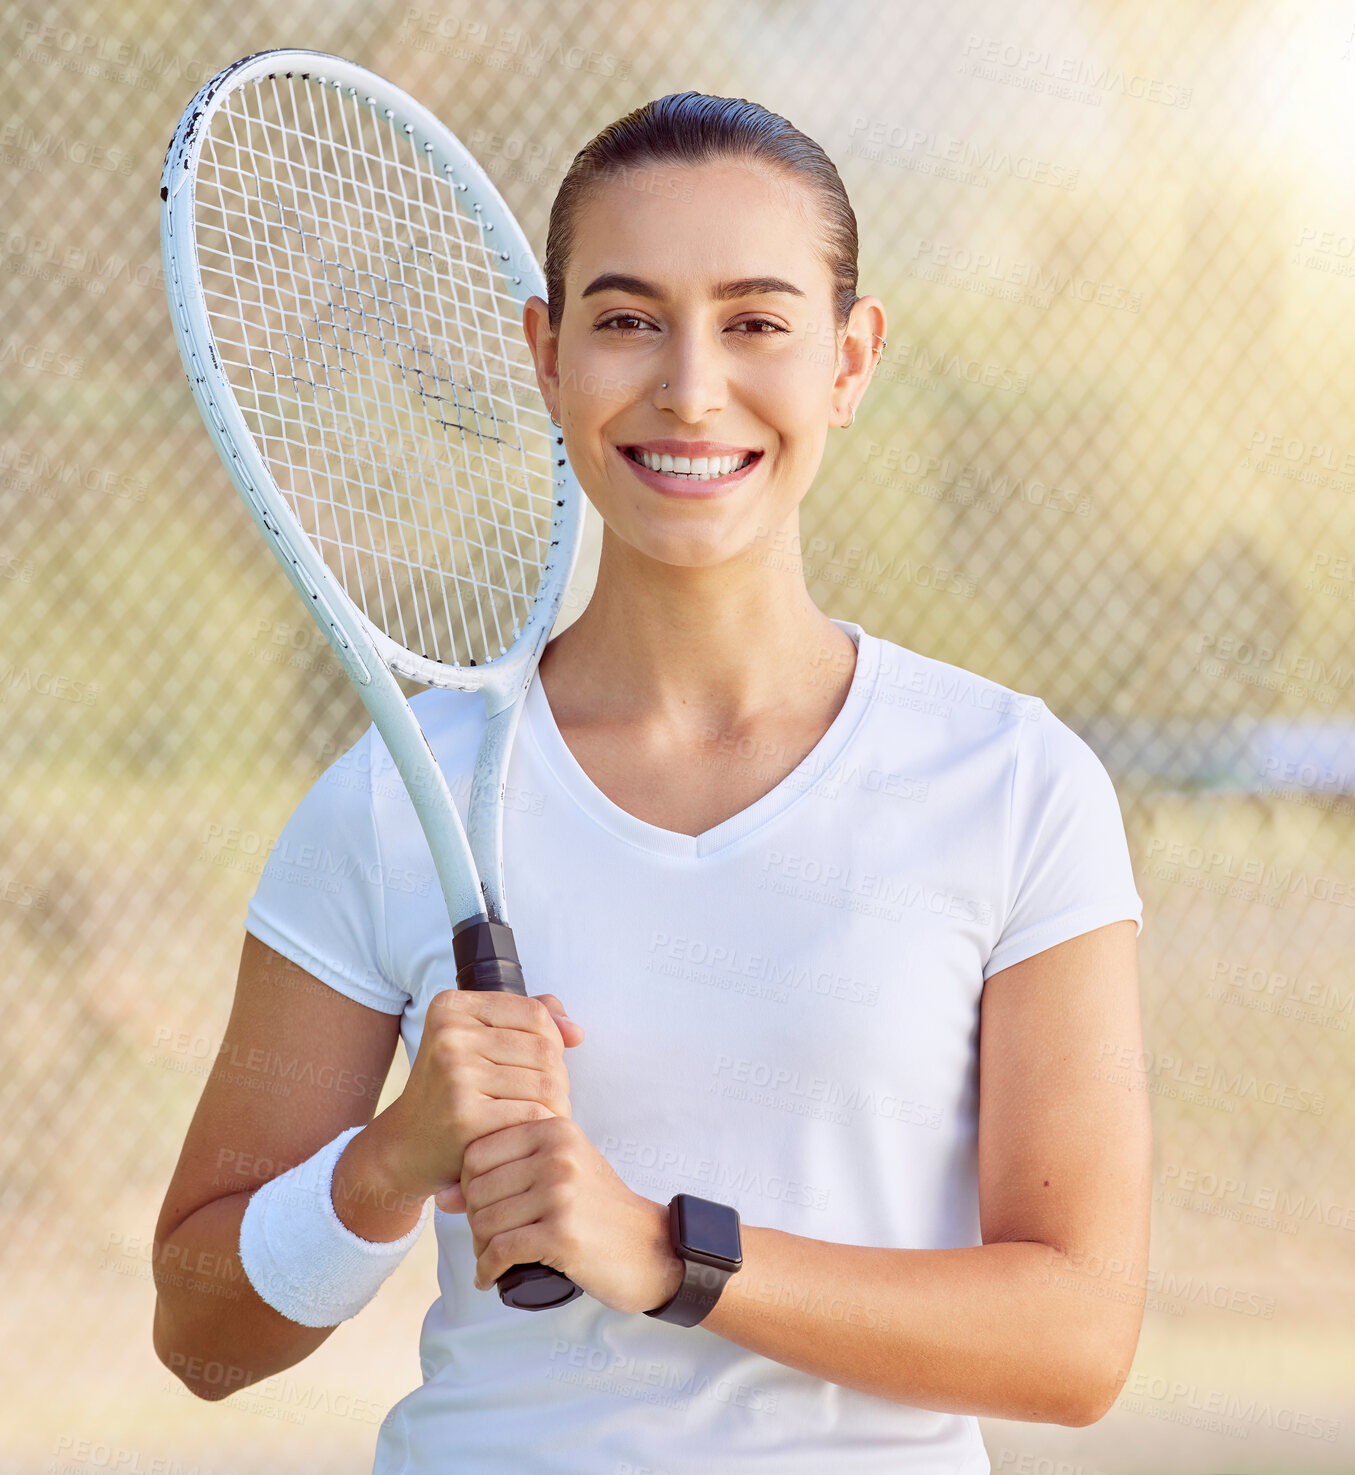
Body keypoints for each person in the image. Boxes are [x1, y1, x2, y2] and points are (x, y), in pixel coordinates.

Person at [152, 91, 1150, 1471]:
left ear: (850, 362)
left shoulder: (1012, 782)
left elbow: (1077, 1338)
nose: (689, 386)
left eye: (756, 322)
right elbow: (200, 1334)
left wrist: (668, 1253)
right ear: (545, 355)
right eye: (627, 320)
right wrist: (387, 1164)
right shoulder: (400, 797)